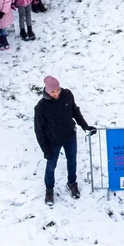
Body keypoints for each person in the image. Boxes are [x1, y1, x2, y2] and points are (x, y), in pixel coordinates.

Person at [34, 76, 96, 205]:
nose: (56, 93)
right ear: (46, 90)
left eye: (57, 90)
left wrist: (85, 126)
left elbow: (75, 111)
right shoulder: (41, 107)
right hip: (53, 141)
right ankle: (49, 189)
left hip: (69, 136)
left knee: (72, 160)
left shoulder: (67, 94)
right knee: (51, 166)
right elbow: (39, 130)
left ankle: (72, 183)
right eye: (52, 92)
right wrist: (45, 150)